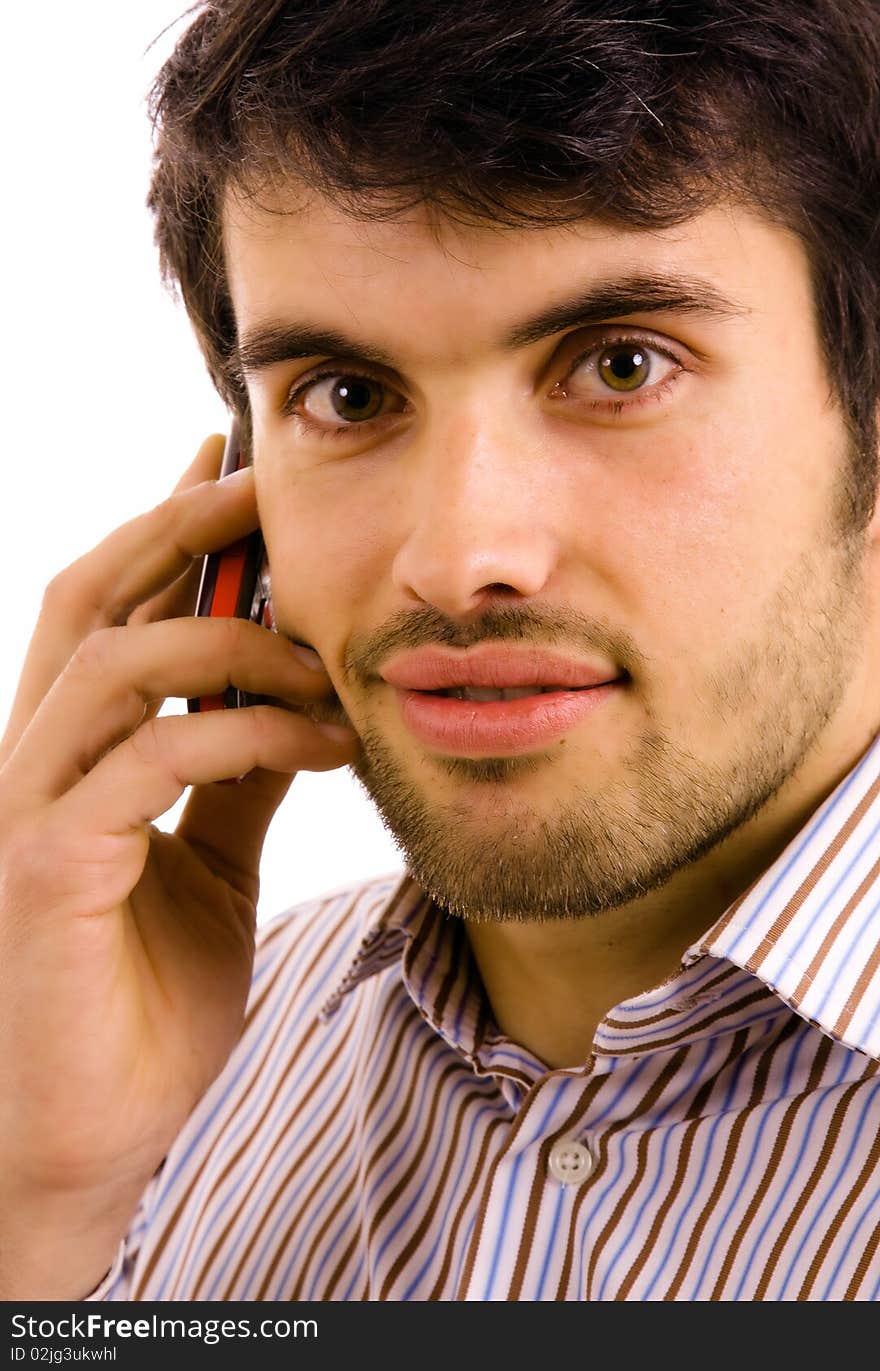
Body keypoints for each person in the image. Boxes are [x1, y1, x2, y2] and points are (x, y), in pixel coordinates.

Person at [2, 0, 880, 1304]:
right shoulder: (134, 1069)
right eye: (346, 397)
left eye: (622, 366)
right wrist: (39, 1211)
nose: (463, 558)